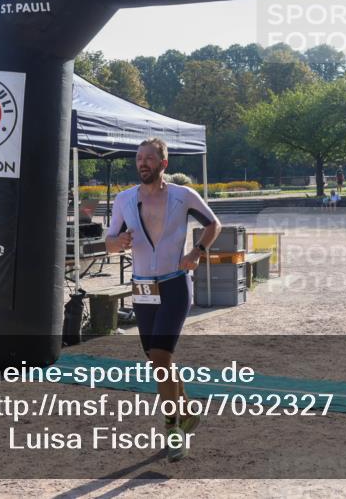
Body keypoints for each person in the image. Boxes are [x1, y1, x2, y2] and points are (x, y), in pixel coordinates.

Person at [105, 137, 222, 461]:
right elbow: (109, 241)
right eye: (139, 158)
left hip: (174, 284)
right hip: (142, 287)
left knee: (159, 356)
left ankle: (173, 430)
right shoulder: (124, 200)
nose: (142, 163)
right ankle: (188, 412)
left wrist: (197, 251)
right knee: (159, 361)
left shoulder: (183, 196)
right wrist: (119, 241)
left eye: (149, 158)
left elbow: (213, 223)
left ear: (163, 164)